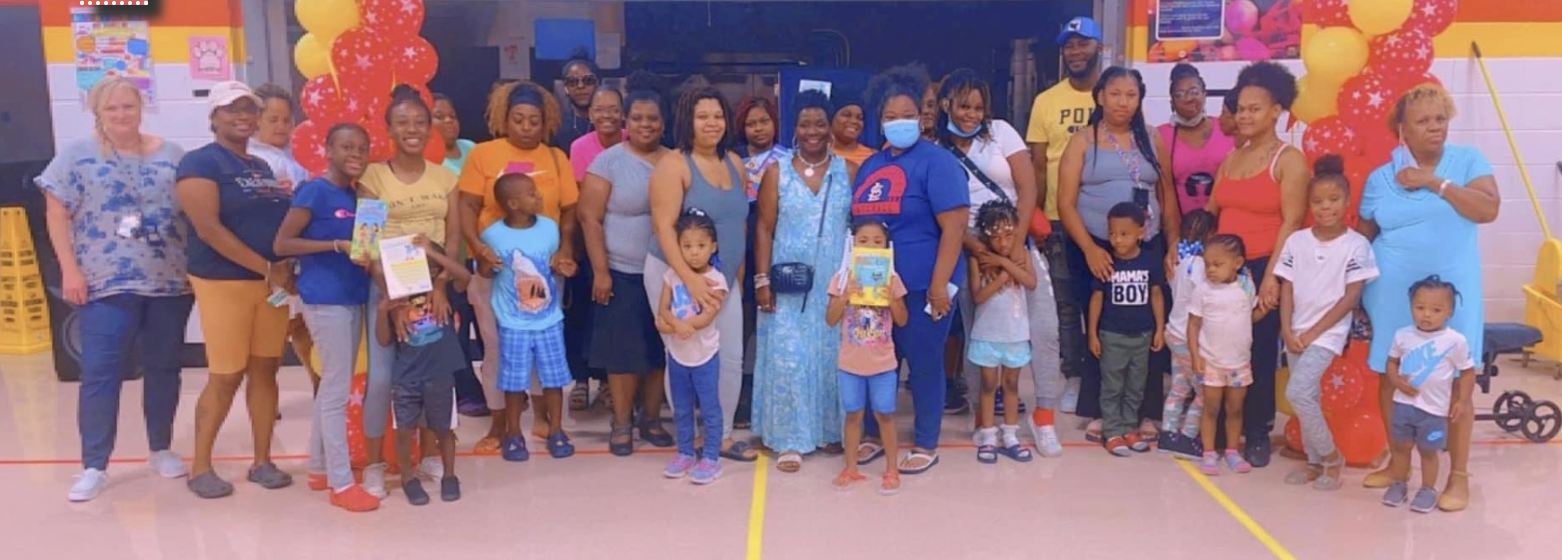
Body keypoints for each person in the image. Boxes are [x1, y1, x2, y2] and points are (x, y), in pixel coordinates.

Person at [39, 77, 192, 502]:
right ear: (98, 114)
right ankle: (94, 465)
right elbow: (56, 213)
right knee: (100, 374)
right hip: (104, 283)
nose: (122, 115)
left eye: (129, 106)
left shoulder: (172, 154)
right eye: (112, 109)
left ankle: (160, 448)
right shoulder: (76, 155)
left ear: (141, 107)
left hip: (168, 281)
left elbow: (197, 205)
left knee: (164, 368)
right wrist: (70, 269)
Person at [1358, 84, 1500, 512]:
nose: (1435, 127)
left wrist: (1434, 182)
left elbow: (1488, 209)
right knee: (1391, 373)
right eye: (1423, 120)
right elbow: (1366, 237)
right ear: (1401, 128)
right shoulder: (1380, 178)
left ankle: (1458, 478)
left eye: (1440, 118)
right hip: (1391, 293)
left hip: (1454, 292)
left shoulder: (1467, 160)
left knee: (1458, 378)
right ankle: (1399, 469)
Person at [176, 81, 294, 499]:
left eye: (249, 109)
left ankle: (262, 461)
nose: (243, 116)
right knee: (226, 375)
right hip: (224, 283)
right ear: (214, 117)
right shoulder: (200, 163)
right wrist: (266, 268)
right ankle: (201, 466)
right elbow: (208, 230)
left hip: (270, 287)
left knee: (265, 370)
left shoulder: (261, 168)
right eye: (232, 109)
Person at [851, 64, 969, 474]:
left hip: (924, 284)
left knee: (923, 361)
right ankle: (871, 435)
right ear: (879, 120)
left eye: (907, 114)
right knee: (878, 361)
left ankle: (925, 441)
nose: (899, 122)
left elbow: (954, 227)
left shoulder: (937, 162)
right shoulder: (870, 166)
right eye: (890, 116)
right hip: (874, 288)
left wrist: (940, 285)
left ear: (922, 116)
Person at [937, 68, 1062, 457]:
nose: (971, 114)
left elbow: (1028, 188)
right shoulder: (936, 147)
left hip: (1015, 241)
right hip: (970, 248)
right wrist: (980, 251)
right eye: (963, 106)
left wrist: (1015, 245)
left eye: (978, 107)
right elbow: (941, 209)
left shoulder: (1002, 132)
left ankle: (1043, 418)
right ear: (946, 105)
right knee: (981, 339)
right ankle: (984, 420)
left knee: (1044, 329)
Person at [1057, 66, 1179, 443]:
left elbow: (1167, 197)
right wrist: (1092, 249)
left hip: (1146, 247)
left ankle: (1145, 412)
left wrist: (1172, 244)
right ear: (1100, 97)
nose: (1122, 101)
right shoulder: (1083, 141)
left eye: (1131, 94)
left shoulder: (1153, 140)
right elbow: (1065, 203)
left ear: (1140, 99)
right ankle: (1099, 409)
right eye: (1115, 93)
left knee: (1148, 325)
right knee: (1102, 327)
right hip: (1097, 248)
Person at [458, 80, 580, 454]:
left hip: (543, 271)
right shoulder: (484, 154)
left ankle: (545, 421)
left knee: (545, 345)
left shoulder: (557, 158)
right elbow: (466, 206)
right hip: (495, 272)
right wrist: (478, 249)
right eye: (519, 120)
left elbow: (569, 213)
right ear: (504, 120)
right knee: (497, 348)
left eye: (534, 121)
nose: (527, 127)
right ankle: (501, 426)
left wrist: (565, 252)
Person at [358, 86, 463, 496]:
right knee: (385, 379)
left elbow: (451, 238)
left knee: (434, 377)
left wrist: (441, 284)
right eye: (402, 122)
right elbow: (366, 245)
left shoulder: (445, 177)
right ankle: (373, 465)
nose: (413, 129)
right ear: (389, 130)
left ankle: (431, 457)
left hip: (432, 290)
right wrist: (393, 301)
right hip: (386, 289)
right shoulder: (373, 177)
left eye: (420, 122)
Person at [646, 86, 759, 462]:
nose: (712, 123)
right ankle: (687, 440)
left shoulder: (734, 162)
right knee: (680, 352)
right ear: (687, 122)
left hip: (722, 279)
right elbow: (664, 228)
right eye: (702, 116)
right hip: (674, 275)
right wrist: (690, 280)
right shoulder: (674, 164)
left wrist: (734, 275)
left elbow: (738, 226)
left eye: (718, 116)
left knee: (728, 357)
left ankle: (721, 437)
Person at [1206, 61, 1308, 468]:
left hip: (1264, 267)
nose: (1245, 116)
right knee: (1220, 350)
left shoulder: (1290, 160)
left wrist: (1271, 280)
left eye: (1255, 108)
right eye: (1240, 108)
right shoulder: (1231, 159)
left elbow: (1293, 222)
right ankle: (1217, 432)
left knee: (1258, 353)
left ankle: (1258, 430)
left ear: (1276, 111)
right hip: (1224, 271)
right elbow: (1213, 212)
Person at [272, 122, 376, 511]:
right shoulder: (314, 190)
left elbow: (364, 250)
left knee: (335, 383)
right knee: (334, 390)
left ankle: (318, 468)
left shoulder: (359, 196)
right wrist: (334, 244)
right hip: (325, 300)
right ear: (328, 151)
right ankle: (341, 482)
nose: (355, 154)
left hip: (353, 297)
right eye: (346, 147)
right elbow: (282, 243)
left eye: (362, 149)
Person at [752, 89, 855, 473]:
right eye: (805, 124)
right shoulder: (776, 172)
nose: (812, 131)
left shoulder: (848, 172)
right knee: (789, 359)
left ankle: (829, 431)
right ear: (794, 128)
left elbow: (855, 230)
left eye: (820, 124)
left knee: (830, 356)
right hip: (787, 284)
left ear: (831, 128)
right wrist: (761, 280)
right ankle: (790, 438)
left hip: (833, 284)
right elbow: (763, 228)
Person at [579, 72, 676, 455]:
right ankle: (621, 423)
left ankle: (650, 419)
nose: (645, 125)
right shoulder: (609, 162)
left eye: (652, 118)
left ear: (663, 123)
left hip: (666, 274)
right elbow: (590, 218)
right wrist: (601, 271)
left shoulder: (674, 161)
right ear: (626, 122)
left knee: (657, 349)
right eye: (637, 118)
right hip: (619, 271)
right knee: (622, 354)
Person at [1276, 155, 1378, 491]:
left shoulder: (1356, 245)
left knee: (1299, 392)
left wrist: (1313, 332)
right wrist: (1288, 329)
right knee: (1308, 399)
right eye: (1317, 201)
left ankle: (1333, 457)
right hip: (1296, 332)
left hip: (1326, 334)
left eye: (1333, 200)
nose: (1325, 208)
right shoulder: (1296, 241)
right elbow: (1286, 285)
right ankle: (1315, 462)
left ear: (1347, 202)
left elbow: (1350, 297)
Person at [1029, 16, 1107, 409]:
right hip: (1059, 218)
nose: (1075, 52)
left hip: (1108, 220)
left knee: (1106, 300)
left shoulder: (1114, 95)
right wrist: (1036, 221)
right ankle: (1074, 376)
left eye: (1083, 44)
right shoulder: (1046, 102)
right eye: (1069, 45)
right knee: (1066, 304)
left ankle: (1106, 381)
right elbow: (1038, 166)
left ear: (1100, 48)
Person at [481, 173, 574, 462]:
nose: (540, 197)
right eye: (532, 194)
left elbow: (555, 265)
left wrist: (564, 266)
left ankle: (556, 430)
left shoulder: (549, 228)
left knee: (554, 378)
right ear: (513, 203)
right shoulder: (493, 235)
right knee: (512, 381)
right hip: (513, 322)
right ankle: (513, 434)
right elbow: (485, 273)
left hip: (548, 320)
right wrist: (487, 264)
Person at [373, 238, 468, 505]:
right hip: (406, 377)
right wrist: (383, 311)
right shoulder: (397, 300)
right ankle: (408, 478)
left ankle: (450, 476)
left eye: (424, 265)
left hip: (440, 373)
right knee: (404, 430)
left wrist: (434, 261)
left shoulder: (444, 291)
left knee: (444, 429)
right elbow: (383, 340)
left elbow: (464, 275)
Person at [1380, 276, 1476, 514]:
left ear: (1449, 312)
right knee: (1401, 448)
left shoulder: (1455, 341)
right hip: (1402, 407)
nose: (1426, 315)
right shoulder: (1402, 335)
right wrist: (1396, 380)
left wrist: (1463, 401)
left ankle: (1427, 489)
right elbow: (1391, 363)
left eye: (1436, 310)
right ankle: (1399, 484)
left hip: (1433, 412)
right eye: (1420, 307)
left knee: (1428, 452)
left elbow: (1467, 372)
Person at [826, 219, 907, 494]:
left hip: (883, 363)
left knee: (885, 414)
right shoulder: (842, 277)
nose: (870, 246)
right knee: (853, 414)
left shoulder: (892, 278)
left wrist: (892, 299)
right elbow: (830, 319)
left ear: (886, 246)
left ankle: (892, 469)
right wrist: (844, 297)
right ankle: (850, 468)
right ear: (852, 244)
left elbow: (903, 319)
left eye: (877, 241)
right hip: (850, 363)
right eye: (863, 241)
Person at [249, 83, 317, 392]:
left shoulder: (298, 155)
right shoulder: (251, 159)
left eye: (286, 119)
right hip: (270, 260)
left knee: (304, 329)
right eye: (272, 119)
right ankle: (265, 396)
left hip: (301, 258)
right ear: (257, 119)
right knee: (273, 334)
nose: (280, 126)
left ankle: (319, 387)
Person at [1087, 203, 1166, 457]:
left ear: (1141, 233)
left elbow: (1156, 295)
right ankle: (1112, 431)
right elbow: (1096, 300)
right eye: (1112, 233)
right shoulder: (1106, 263)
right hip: (1112, 335)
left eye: (1124, 234)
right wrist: (1092, 334)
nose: (1117, 240)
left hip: (1142, 335)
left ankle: (1130, 427)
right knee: (1112, 386)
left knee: (1135, 386)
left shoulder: (1150, 261)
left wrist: (1159, 329)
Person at [656, 209, 729, 485]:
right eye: (686, 246)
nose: (694, 253)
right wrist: (674, 324)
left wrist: (683, 326)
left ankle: (711, 457)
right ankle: (685, 452)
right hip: (677, 355)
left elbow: (708, 314)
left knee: (709, 408)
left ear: (713, 247)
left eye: (700, 246)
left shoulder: (716, 280)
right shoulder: (672, 275)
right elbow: (662, 309)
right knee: (682, 407)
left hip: (705, 355)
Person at [566, 85, 627, 411]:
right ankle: (580, 380)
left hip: (626, 242)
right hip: (587, 242)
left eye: (613, 109)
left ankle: (607, 380)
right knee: (582, 314)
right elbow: (581, 204)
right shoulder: (580, 147)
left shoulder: (635, 140)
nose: (607, 115)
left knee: (612, 317)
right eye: (600, 109)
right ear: (590, 114)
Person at [966, 200, 1037, 464]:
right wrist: (1003, 274)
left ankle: (1010, 435)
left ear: (1017, 232)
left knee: (1011, 384)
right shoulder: (978, 260)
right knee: (988, 385)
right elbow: (978, 296)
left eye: (1009, 235)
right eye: (995, 237)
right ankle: (987, 434)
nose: (1003, 243)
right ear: (985, 236)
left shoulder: (1022, 257)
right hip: (987, 334)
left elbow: (1031, 283)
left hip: (1016, 335)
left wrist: (1004, 264)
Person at [430, 92, 487, 416]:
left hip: (479, 252)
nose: (448, 121)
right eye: (439, 116)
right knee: (457, 327)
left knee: (486, 327)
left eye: (451, 115)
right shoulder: (427, 160)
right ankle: (465, 390)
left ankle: (492, 385)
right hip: (446, 258)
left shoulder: (472, 150)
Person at [735, 95, 789, 430]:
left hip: (775, 244)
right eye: (751, 123)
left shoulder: (787, 160)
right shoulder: (734, 162)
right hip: (741, 246)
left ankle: (775, 397)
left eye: (764, 121)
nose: (758, 128)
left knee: (775, 325)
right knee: (741, 327)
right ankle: (739, 398)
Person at [1188, 234, 1263, 475]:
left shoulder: (1246, 286)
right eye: (1208, 264)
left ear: (1237, 263)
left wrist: (1267, 308)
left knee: (1235, 409)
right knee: (1210, 407)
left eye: (1218, 265)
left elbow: (1249, 317)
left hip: (1239, 362)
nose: (1211, 270)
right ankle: (1208, 453)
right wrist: (1195, 355)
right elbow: (1193, 324)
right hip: (1211, 361)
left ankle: (1232, 451)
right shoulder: (1202, 290)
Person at [1160, 209, 1217, 459]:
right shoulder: (1204, 267)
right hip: (1188, 337)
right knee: (1204, 392)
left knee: (1179, 386)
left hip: (1173, 331)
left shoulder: (1179, 260)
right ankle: (1188, 436)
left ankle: (1168, 433)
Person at [1157, 63, 1234, 217]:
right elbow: (1162, 193)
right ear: (1171, 102)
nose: (1188, 99)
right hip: (1182, 229)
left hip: (1225, 227)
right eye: (1180, 94)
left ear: (1205, 95)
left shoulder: (1227, 128)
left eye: (1194, 91)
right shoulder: (1160, 135)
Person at [556, 57, 600, 151]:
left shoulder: (609, 121)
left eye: (588, 80)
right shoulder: (557, 127)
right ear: (565, 88)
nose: (580, 86)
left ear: (597, 84)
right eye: (572, 81)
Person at [829, 98, 875, 167]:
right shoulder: (817, 155)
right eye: (846, 115)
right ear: (831, 119)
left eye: (859, 118)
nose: (854, 121)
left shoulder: (874, 157)